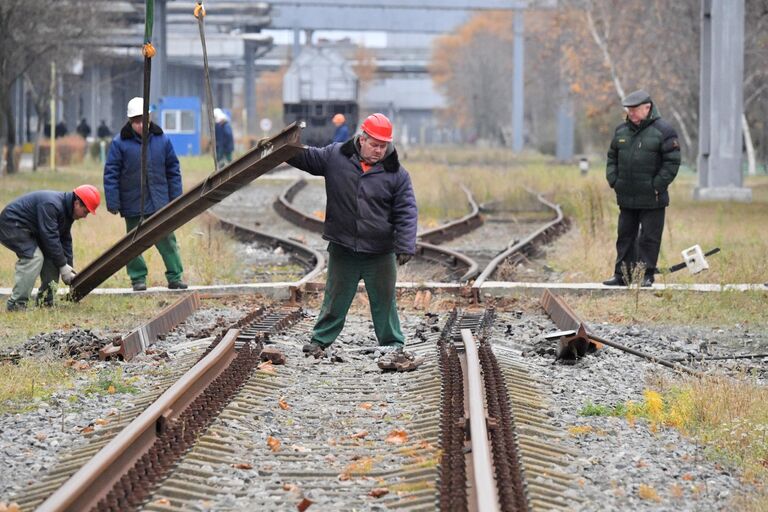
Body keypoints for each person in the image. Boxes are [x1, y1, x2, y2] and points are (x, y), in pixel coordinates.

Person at [287, 113, 418, 360]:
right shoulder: (336, 156)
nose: (379, 150)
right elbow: (307, 158)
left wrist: (405, 245)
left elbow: (407, 211)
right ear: (362, 139)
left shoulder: (397, 174)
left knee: (384, 300)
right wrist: (281, 148)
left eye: (383, 146)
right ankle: (320, 341)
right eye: (374, 144)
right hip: (343, 246)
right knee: (335, 298)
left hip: (380, 251)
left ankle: (392, 343)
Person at [104, 97, 187, 292]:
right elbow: (111, 173)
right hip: (132, 203)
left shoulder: (162, 140)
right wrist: (113, 201)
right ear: (130, 121)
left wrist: (176, 198)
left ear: (149, 118)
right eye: (136, 120)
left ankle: (175, 277)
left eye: (144, 119)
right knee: (133, 244)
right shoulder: (119, 143)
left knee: (167, 240)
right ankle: (137, 279)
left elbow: (173, 170)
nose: (141, 124)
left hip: (160, 202)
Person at [603, 89, 681, 287]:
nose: (631, 113)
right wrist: (614, 180)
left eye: (635, 110)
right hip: (626, 196)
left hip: (652, 197)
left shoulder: (664, 131)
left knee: (649, 238)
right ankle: (622, 276)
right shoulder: (621, 131)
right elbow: (612, 158)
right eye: (629, 110)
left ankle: (647, 275)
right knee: (625, 236)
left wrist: (657, 186)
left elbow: (672, 162)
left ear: (648, 108)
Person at [0, 185, 100, 311]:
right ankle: (16, 304)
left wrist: (69, 269)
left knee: (53, 258)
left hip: (32, 229)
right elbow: (50, 237)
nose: (85, 216)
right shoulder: (51, 205)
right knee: (34, 258)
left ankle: (46, 301)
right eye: (86, 212)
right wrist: (63, 265)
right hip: (12, 225)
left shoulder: (68, 211)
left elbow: (65, 240)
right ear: (77, 203)